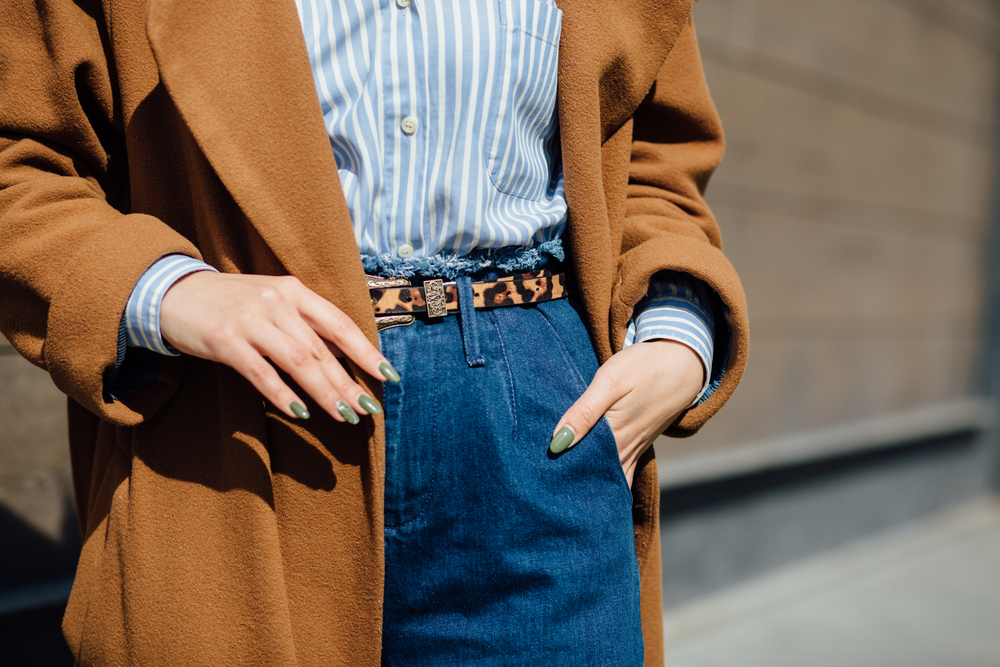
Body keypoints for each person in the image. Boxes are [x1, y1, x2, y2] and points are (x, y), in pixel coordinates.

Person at [0, 0, 748, 664]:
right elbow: (19, 163)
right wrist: (172, 291)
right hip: (239, 430)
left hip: (538, 432)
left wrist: (679, 330)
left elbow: (652, 157)